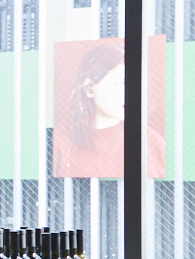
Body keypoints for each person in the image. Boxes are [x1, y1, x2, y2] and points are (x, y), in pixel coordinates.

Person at [53, 41, 165, 179]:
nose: (131, 94)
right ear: (89, 88)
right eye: (121, 83)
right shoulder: (59, 141)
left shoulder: (151, 140)